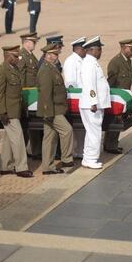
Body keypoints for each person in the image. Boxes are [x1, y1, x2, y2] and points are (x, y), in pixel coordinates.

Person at [0, 45, 33, 178]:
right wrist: (2, 112)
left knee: (9, 139)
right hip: (8, 111)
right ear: (8, 56)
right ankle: (21, 167)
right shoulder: (2, 70)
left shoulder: (14, 68)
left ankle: (6, 166)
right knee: (18, 138)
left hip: (15, 109)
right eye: (15, 56)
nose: (18, 58)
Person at [37, 43, 75, 174]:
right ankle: (66, 159)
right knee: (67, 130)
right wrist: (48, 112)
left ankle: (47, 167)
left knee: (49, 137)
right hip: (52, 110)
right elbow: (45, 93)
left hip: (55, 109)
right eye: (54, 54)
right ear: (47, 55)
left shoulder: (52, 68)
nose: (56, 56)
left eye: (57, 54)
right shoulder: (46, 70)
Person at [79, 36, 111, 169]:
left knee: (92, 132)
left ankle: (88, 158)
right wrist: (93, 102)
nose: (101, 52)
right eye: (99, 49)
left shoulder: (91, 62)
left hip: (92, 103)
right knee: (94, 132)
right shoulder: (89, 63)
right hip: (91, 105)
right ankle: (91, 159)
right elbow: (90, 85)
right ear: (92, 50)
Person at [103, 38, 132, 155]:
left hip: (123, 97)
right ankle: (110, 146)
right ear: (123, 48)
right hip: (116, 97)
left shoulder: (127, 61)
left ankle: (113, 143)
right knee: (114, 122)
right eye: (130, 49)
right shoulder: (115, 62)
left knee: (119, 122)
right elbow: (111, 82)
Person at [63, 37, 86, 159]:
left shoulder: (81, 60)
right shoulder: (71, 61)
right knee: (78, 128)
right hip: (76, 98)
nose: (86, 51)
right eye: (84, 49)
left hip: (82, 98)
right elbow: (70, 84)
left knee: (82, 128)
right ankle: (78, 150)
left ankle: (81, 150)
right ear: (78, 49)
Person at [20, 33, 42, 158]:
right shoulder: (22, 56)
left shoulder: (30, 55)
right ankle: (26, 151)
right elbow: (21, 78)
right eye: (34, 42)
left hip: (33, 94)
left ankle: (35, 150)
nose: (35, 44)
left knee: (33, 125)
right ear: (27, 42)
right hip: (28, 95)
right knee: (26, 127)